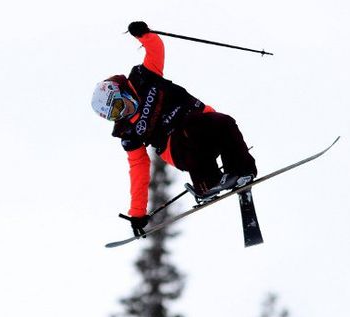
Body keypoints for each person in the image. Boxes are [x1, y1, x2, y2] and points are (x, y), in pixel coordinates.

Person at [91, 21, 257, 237]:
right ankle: (206, 183)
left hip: (203, 123)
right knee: (189, 132)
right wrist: (137, 211)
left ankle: (242, 170)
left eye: (120, 106)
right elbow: (139, 168)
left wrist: (143, 35)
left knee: (225, 122)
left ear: (122, 91)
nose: (122, 114)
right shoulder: (127, 132)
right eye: (113, 115)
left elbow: (156, 49)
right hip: (179, 147)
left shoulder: (143, 78)